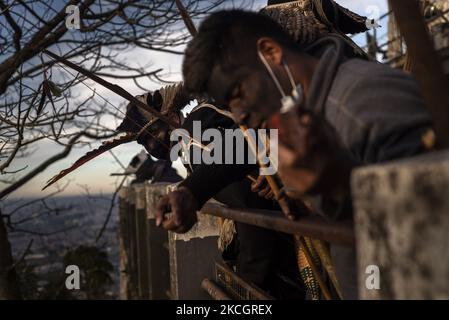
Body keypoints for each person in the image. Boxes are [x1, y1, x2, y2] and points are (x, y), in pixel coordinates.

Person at [181, 9, 434, 298]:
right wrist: (192, 190)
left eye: (238, 93)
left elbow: (427, 227)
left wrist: (337, 187)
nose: (239, 116)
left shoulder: (364, 104)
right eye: (229, 104)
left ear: (271, 52)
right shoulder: (304, 115)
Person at [116, 83, 305, 298]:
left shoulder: (195, 130)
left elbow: (248, 203)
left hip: (279, 248)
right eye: (144, 142)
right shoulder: (196, 129)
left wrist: (253, 283)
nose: (151, 146)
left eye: (152, 133)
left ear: (171, 115)